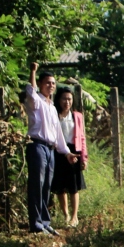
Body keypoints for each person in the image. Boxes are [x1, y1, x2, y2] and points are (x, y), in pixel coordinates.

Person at [24, 63, 78, 235]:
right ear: (40, 84)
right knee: (36, 185)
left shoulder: (53, 108)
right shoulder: (36, 102)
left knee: (46, 186)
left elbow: (58, 134)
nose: (51, 86)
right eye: (47, 82)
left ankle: (45, 222)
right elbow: (31, 92)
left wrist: (66, 152)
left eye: (53, 83)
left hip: (50, 149)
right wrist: (33, 71)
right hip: (37, 145)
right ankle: (36, 224)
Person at [51, 87, 88, 228]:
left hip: (74, 151)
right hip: (58, 151)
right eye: (64, 99)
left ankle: (74, 216)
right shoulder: (54, 115)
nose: (67, 102)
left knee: (74, 186)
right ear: (58, 100)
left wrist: (84, 157)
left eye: (69, 99)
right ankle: (65, 214)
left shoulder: (77, 116)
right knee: (60, 185)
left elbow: (82, 137)